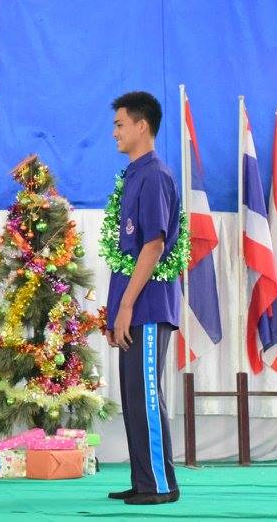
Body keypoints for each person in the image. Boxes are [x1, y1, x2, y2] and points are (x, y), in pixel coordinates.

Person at [104, 91, 183, 505]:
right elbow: (126, 251)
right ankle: (143, 479)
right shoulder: (133, 175)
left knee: (147, 395)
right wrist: (115, 310)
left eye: (119, 124)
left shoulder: (154, 176)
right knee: (134, 396)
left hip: (148, 305)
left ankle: (160, 485)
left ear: (142, 126)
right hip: (132, 305)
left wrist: (128, 305)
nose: (114, 132)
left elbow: (153, 244)